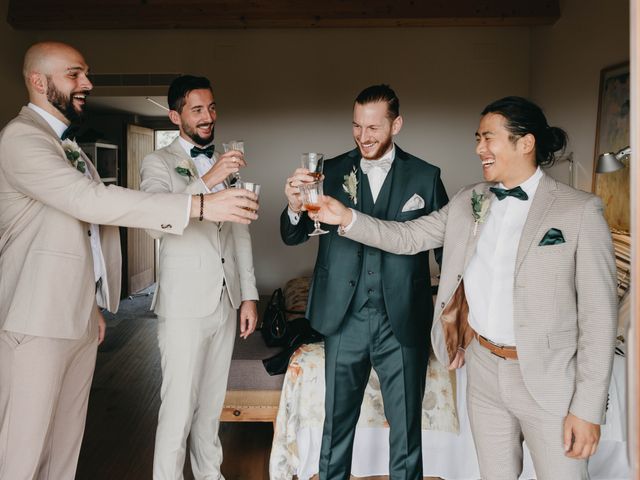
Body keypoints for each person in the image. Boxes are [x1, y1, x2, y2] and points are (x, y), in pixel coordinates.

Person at [317, 96, 617, 480]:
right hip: (484, 373)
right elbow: (408, 237)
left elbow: (599, 319)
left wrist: (588, 409)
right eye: (478, 138)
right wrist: (347, 218)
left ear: (525, 143)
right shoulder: (469, 200)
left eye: (488, 138)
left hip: (549, 382)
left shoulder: (579, 211)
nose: (479, 148)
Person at [0, 42, 258, 480]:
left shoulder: (72, 148)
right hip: (38, 313)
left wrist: (95, 301)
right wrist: (200, 200)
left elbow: (86, 231)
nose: (88, 84)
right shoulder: (22, 138)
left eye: (86, 74)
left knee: (65, 445)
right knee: (24, 447)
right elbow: (94, 202)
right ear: (39, 82)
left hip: (82, 312)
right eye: (75, 74)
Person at [281, 84, 448, 479]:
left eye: (373, 128)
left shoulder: (426, 177)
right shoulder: (329, 171)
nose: (363, 136)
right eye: (357, 126)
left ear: (397, 124)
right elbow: (292, 235)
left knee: (406, 434)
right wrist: (292, 206)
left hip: (403, 319)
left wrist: (458, 305)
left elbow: (447, 248)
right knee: (335, 428)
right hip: (344, 316)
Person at [139, 75, 259, 480]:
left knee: (211, 409)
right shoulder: (156, 162)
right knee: (177, 411)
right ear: (175, 115)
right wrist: (210, 179)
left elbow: (239, 227)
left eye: (211, 107)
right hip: (184, 306)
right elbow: (156, 222)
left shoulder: (227, 159)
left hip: (225, 303)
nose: (208, 116)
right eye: (196, 109)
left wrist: (249, 295)